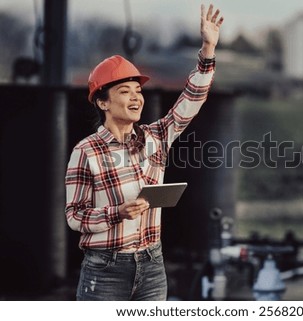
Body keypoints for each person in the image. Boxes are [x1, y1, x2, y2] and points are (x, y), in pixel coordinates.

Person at [65, 4, 224, 301]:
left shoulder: (156, 137)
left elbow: (192, 99)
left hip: (152, 265)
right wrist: (117, 213)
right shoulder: (86, 151)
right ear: (103, 103)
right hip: (104, 270)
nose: (136, 97)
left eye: (138, 91)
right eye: (125, 91)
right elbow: (74, 217)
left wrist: (207, 50)